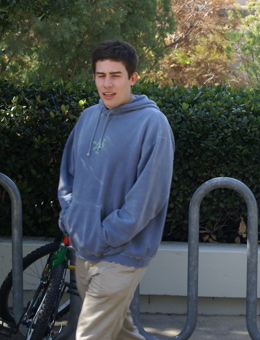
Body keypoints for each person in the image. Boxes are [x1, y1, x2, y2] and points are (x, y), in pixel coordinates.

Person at [57, 40, 175, 339]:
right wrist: (72, 219)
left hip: (122, 253)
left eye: (115, 75)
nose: (107, 84)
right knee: (121, 333)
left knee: (89, 334)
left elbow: (149, 196)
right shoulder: (87, 118)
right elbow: (68, 177)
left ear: (132, 78)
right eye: (101, 75)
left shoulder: (153, 123)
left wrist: (107, 234)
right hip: (85, 249)